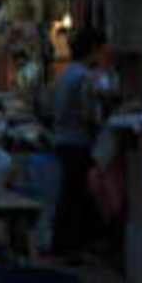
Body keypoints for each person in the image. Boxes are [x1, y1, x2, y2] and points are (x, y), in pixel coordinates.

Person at [47, 31, 105, 257]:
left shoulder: (65, 74)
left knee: (68, 194)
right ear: (92, 51)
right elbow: (88, 112)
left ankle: (62, 244)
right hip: (77, 140)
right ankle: (68, 247)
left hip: (63, 138)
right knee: (74, 196)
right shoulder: (84, 77)